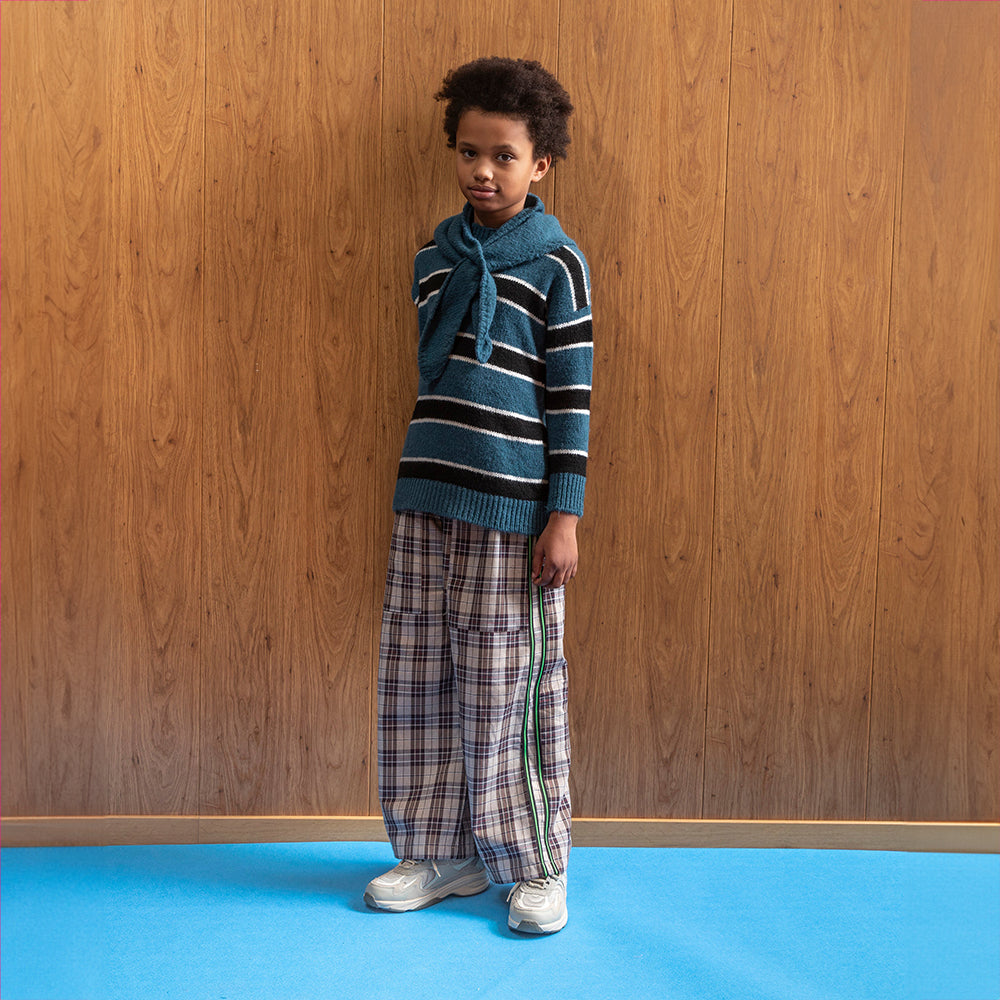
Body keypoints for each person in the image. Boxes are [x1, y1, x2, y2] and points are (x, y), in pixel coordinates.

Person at [364, 56, 592, 935]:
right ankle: (440, 847)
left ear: (540, 164)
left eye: (503, 155)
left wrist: (562, 515)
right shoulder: (432, 257)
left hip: (514, 516)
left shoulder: (559, 266)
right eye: (469, 152)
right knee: (418, 675)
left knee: (512, 685)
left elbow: (569, 400)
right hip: (427, 496)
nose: (483, 171)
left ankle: (536, 862)